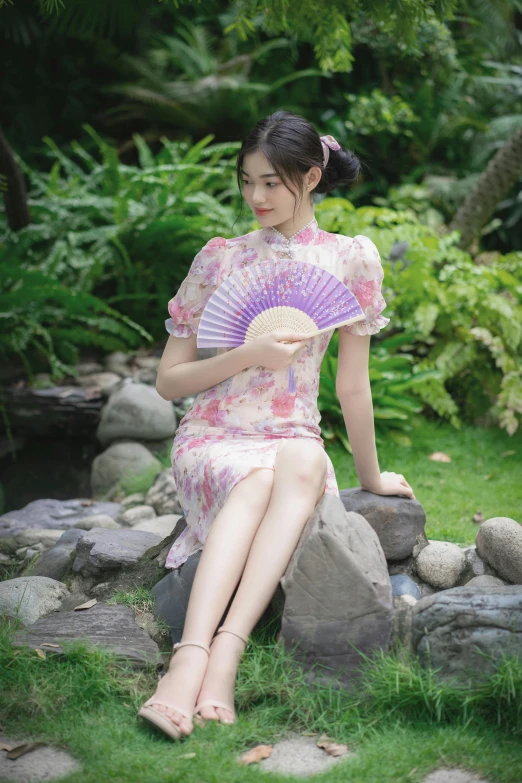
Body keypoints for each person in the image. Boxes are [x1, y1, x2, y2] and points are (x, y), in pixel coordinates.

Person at [138, 110, 415, 741]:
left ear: (310, 177)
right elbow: (169, 382)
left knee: (302, 460)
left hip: (291, 436)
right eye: (247, 182)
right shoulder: (222, 260)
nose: (255, 197)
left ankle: (218, 659)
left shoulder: (350, 260)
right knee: (262, 479)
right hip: (216, 436)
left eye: (271, 183)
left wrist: (372, 476)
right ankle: (197, 663)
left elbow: (350, 384)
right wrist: (247, 356)